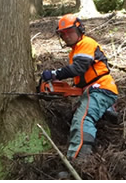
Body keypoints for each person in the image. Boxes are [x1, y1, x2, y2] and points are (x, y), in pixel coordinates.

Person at [41, 14, 118, 160]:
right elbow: (79, 80)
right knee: (75, 115)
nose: (66, 36)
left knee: (81, 119)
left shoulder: (86, 43)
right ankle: (107, 110)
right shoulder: (74, 51)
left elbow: (79, 68)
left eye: (69, 32)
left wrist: (54, 74)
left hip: (100, 88)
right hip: (93, 90)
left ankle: (80, 160)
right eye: (63, 34)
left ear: (79, 30)